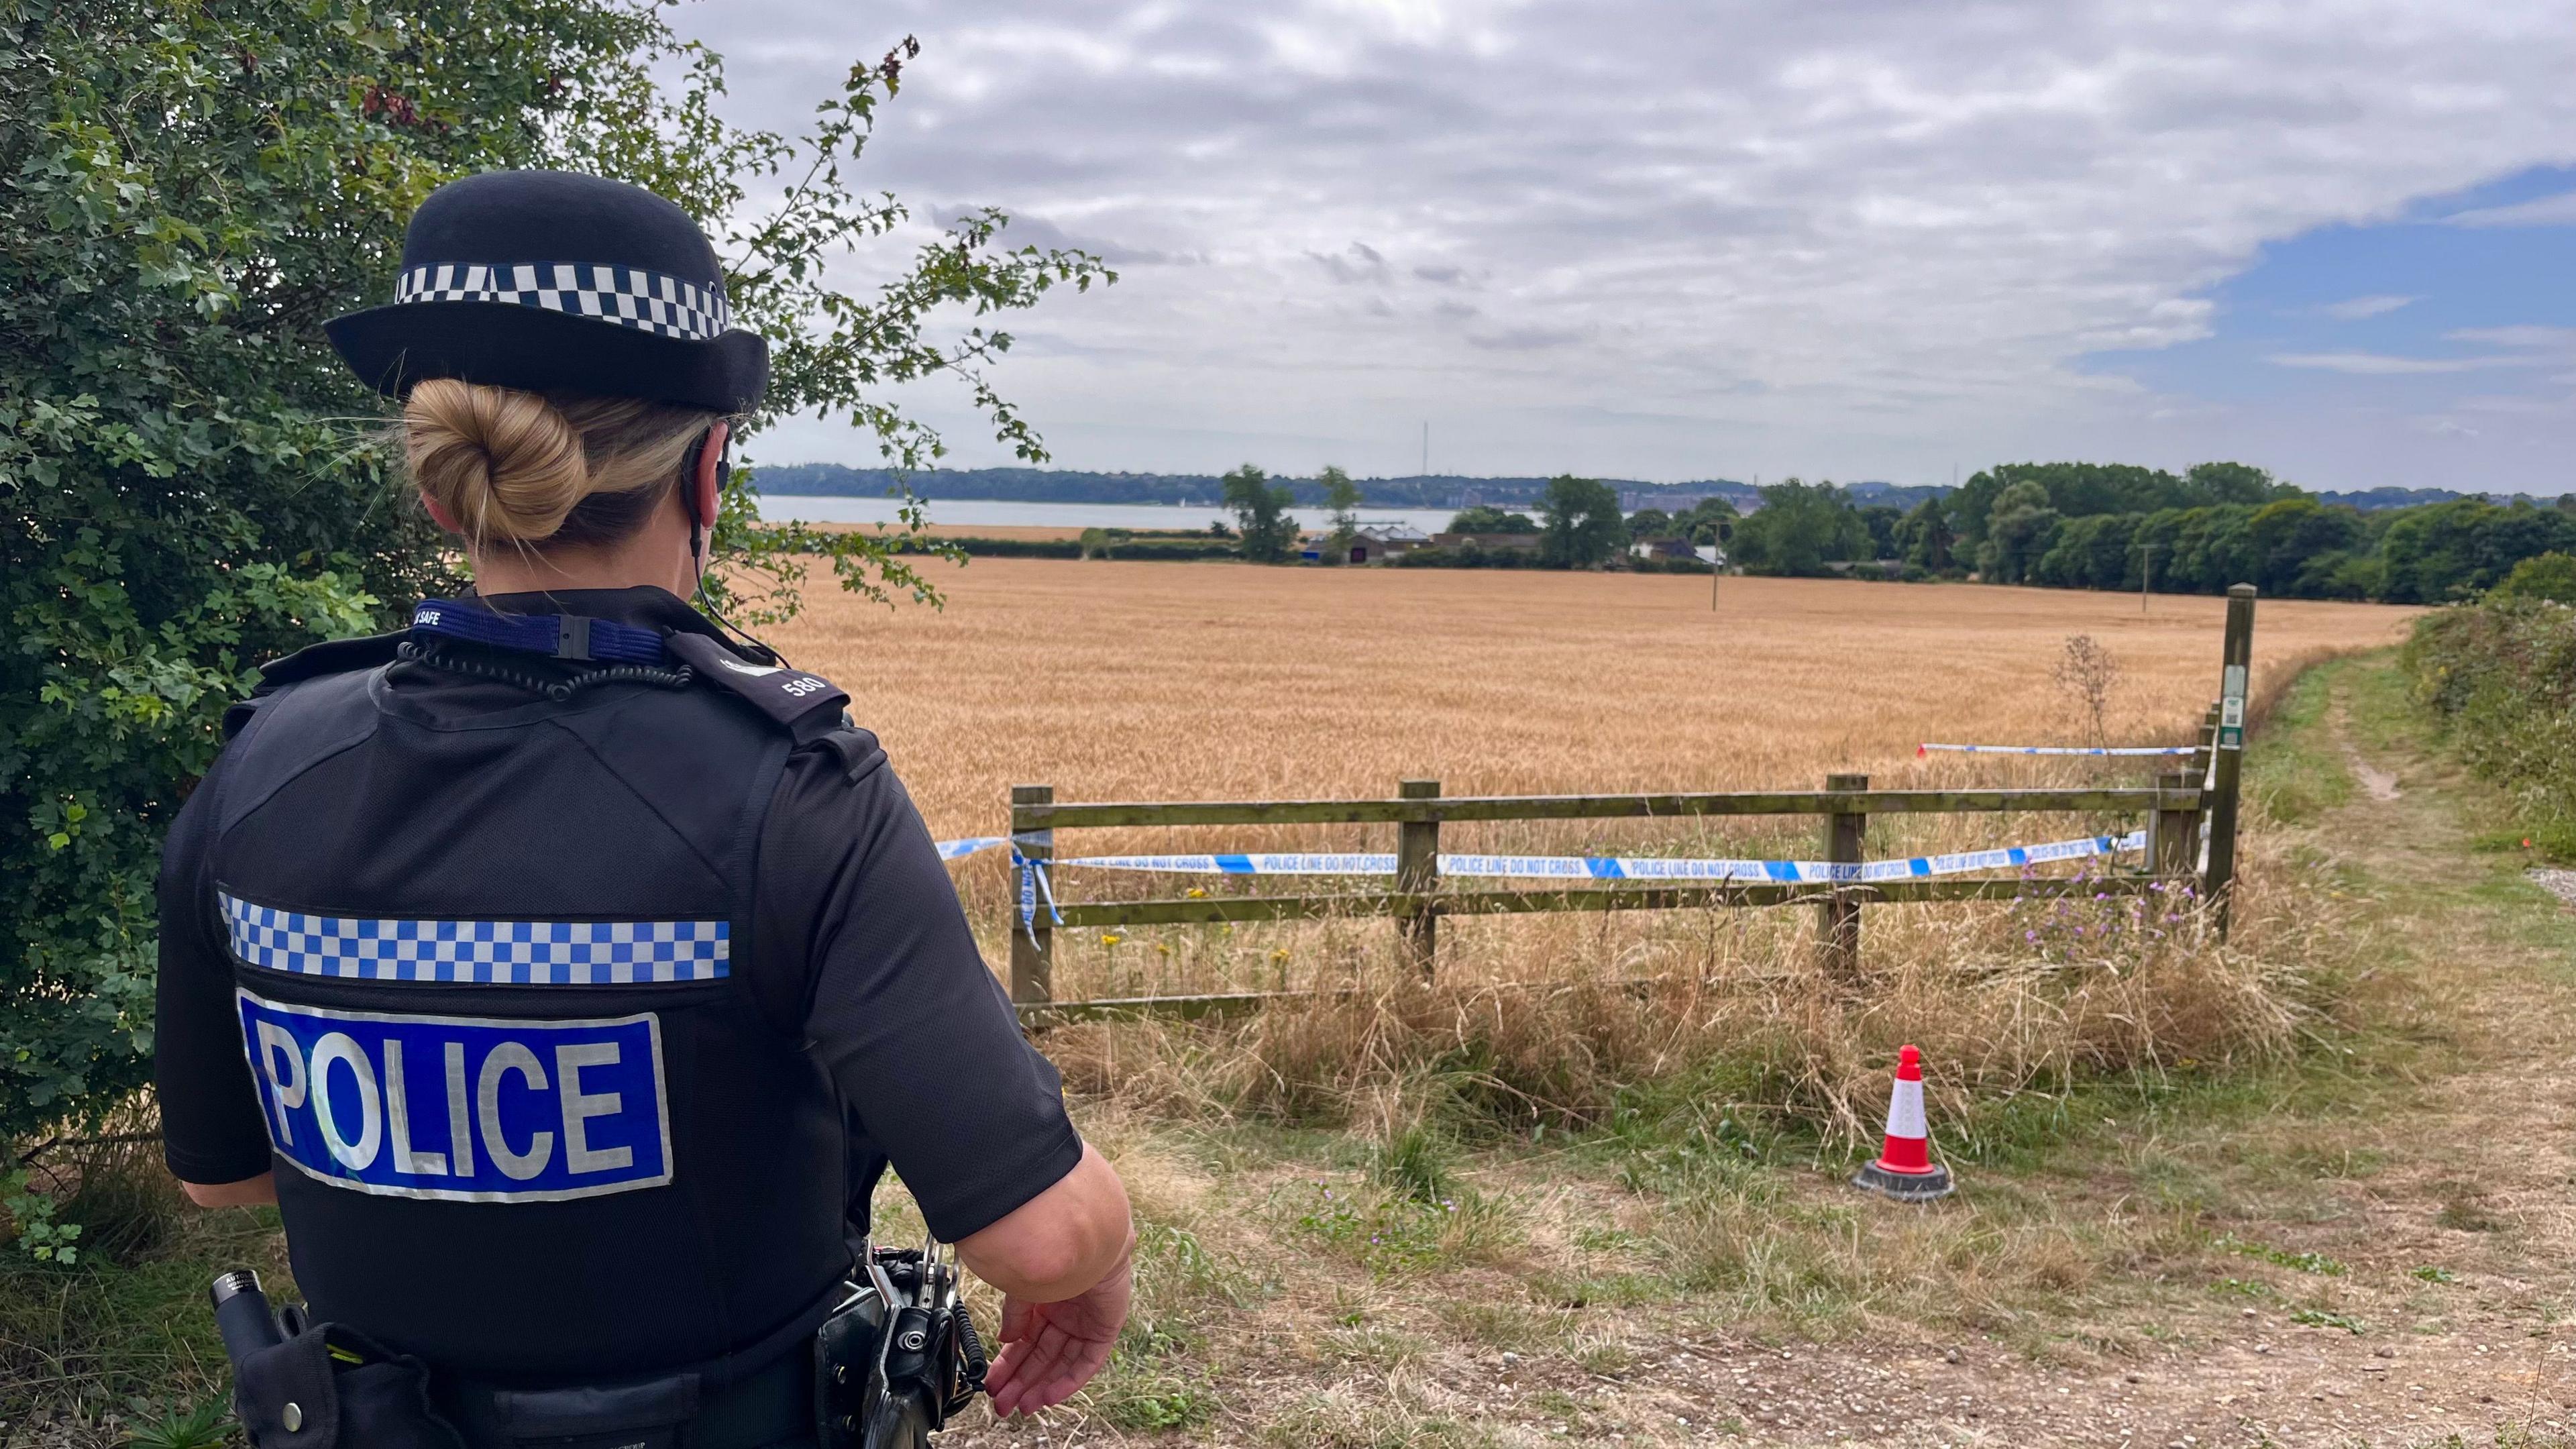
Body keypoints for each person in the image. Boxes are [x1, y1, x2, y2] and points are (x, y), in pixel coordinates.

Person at [152, 170, 1132, 1446]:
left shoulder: (262, 766)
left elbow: (220, 1178)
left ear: (447, 490)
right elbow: (1042, 1231)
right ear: (710, 471)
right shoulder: (795, 792)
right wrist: (1096, 1264)